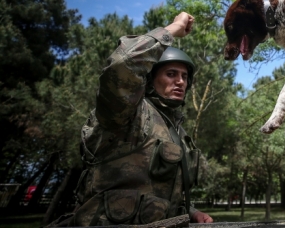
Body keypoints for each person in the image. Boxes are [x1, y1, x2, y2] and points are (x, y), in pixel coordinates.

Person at [68, 12, 213, 225]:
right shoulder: (130, 114)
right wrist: (172, 28)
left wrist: (190, 212)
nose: (181, 82)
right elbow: (121, 64)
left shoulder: (174, 128)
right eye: (171, 74)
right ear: (150, 79)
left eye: (184, 76)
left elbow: (158, 193)